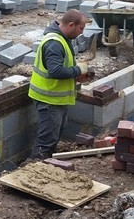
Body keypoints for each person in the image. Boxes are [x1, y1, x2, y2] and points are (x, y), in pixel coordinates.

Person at [29, 9, 90, 160]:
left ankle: (45, 163)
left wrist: (75, 75)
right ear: (71, 25)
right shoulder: (54, 43)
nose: (81, 33)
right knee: (47, 139)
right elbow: (55, 71)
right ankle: (34, 165)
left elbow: (60, 67)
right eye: (80, 28)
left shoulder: (62, 39)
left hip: (56, 98)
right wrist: (77, 69)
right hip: (49, 99)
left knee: (54, 134)